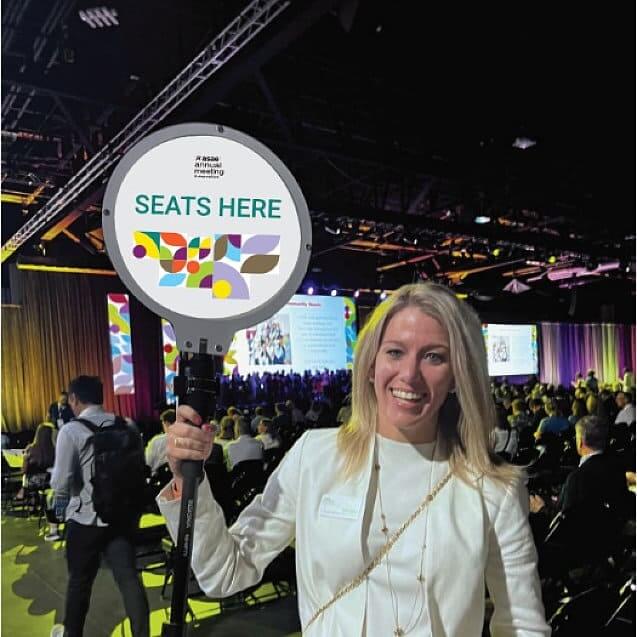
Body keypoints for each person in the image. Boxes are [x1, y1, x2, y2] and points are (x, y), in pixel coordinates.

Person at [158, 282, 549, 636]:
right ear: (370, 364)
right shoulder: (315, 456)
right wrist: (189, 480)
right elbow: (226, 573)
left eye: (434, 357)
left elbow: (521, 625)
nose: (409, 375)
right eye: (395, 352)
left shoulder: (493, 487)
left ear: (458, 375)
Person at [49, 376, 149, 637]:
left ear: (73, 399)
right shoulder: (127, 425)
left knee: (79, 583)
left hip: (85, 521)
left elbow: (61, 482)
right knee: (129, 579)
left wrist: (58, 515)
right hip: (122, 518)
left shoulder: (70, 431)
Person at [145, 409, 176, 474]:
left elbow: (147, 462)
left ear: (166, 423)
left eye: (163, 424)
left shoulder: (156, 440)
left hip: (158, 478)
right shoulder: (184, 440)